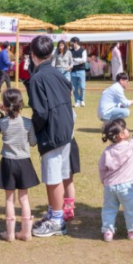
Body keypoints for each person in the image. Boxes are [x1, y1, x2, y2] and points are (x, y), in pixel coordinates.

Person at [27, 35, 76, 238]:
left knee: (53, 176)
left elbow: (40, 112)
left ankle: (56, 220)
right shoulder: (57, 72)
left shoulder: (37, 78)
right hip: (65, 127)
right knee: (59, 173)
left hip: (52, 130)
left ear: (32, 55)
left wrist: (33, 131)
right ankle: (54, 214)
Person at [0, 88, 39, 242]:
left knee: (9, 199)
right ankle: (26, 232)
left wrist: (3, 111)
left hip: (8, 161)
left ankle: (10, 233)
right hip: (24, 161)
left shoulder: (2, 122)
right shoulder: (27, 123)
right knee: (24, 198)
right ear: (21, 104)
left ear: (5, 105)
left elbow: (4, 119)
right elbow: (33, 142)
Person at [98, 117, 133, 241]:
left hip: (110, 186)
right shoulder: (131, 145)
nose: (127, 130)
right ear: (121, 135)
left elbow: (102, 168)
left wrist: (103, 180)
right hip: (126, 186)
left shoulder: (107, 151)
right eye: (125, 129)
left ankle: (108, 232)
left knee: (109, 209)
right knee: (131, 209)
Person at [69, 37, 88, 106]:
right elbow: (70, 60)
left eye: (72, 42)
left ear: (75, 42)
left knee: (82, 86)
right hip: (73, 70)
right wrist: (78, 60)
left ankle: (82, 100)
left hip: (81, 70)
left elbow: (84, 60)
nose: (71, 44)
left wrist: (75, 59)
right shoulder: (70, 51)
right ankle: (77, 101)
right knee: (74, 87)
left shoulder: (83, 50)